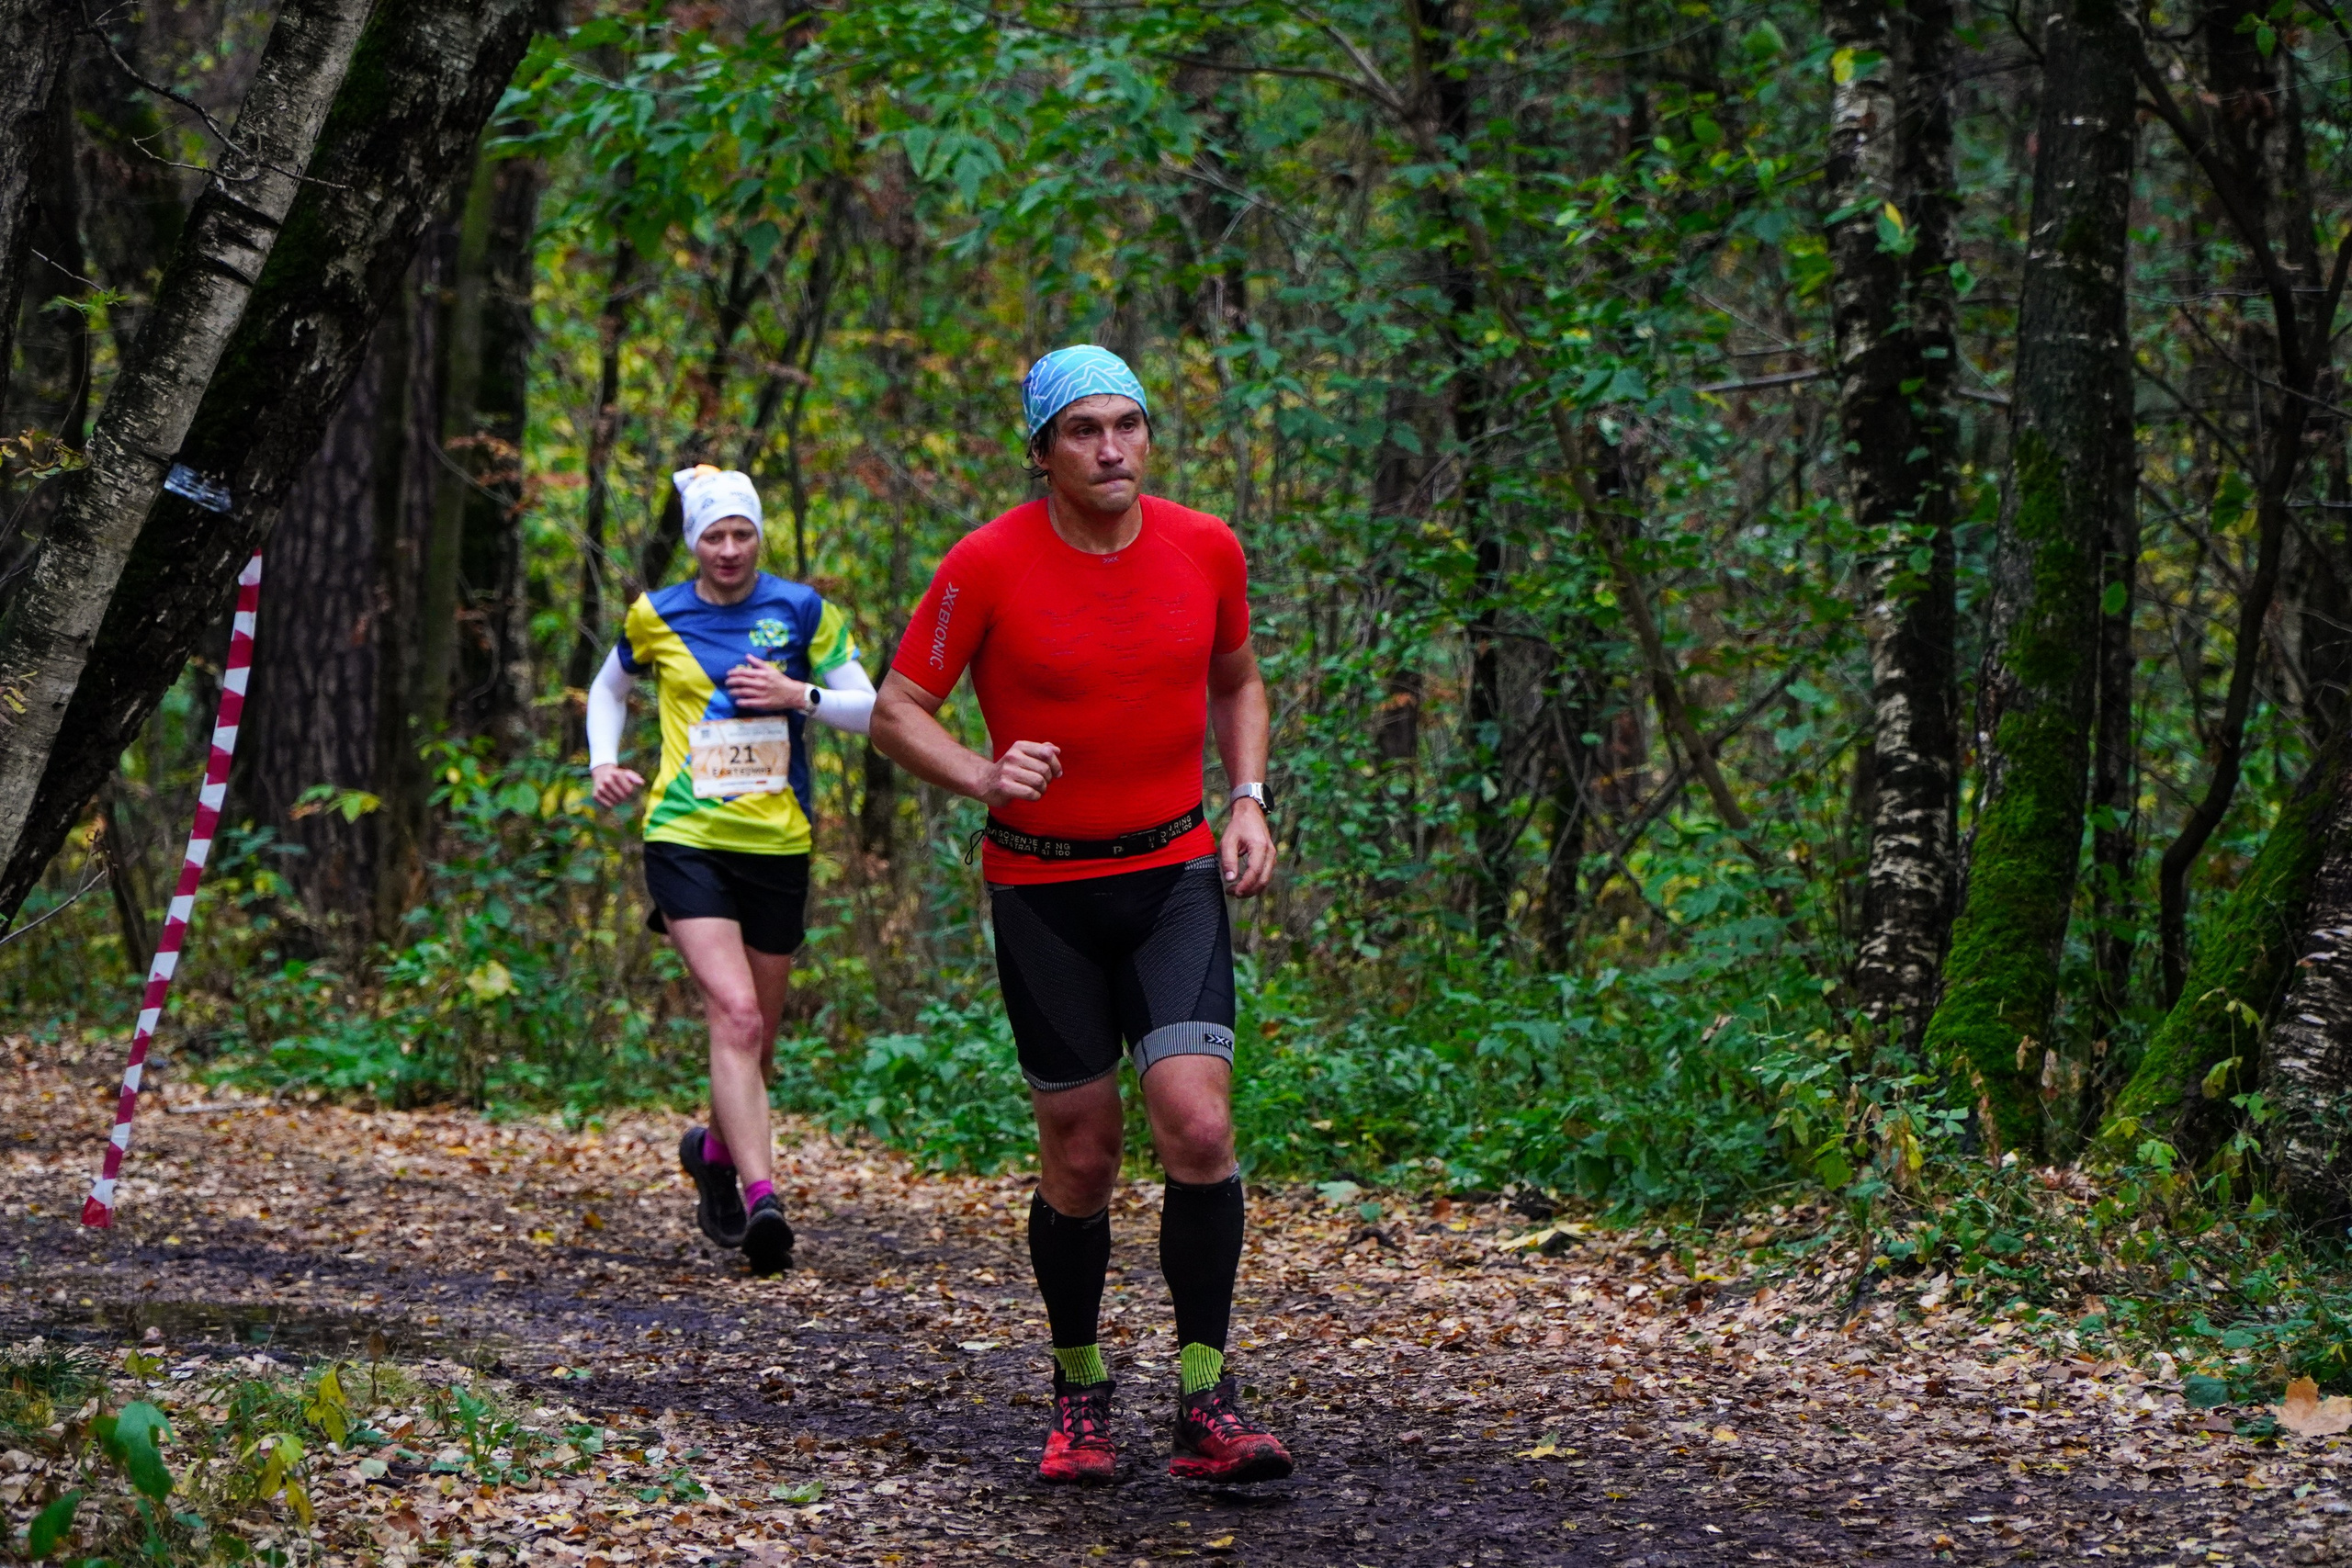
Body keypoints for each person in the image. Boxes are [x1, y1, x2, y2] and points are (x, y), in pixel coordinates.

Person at [872, 345, 1291, 1485]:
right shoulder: (986, 564)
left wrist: (1246, 797)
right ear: (1043, 449)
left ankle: (1206, 1399)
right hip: (1043, 890)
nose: (1111, 448)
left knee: (1198, 1128)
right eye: (1084, 430)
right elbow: (898, 709)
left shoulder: (1205, 546)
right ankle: (1080, 1387)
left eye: (1128, 425)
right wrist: (978, 773)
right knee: (1082, 1155)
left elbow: (1237, 676)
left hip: (1174, 876)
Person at [586, 465, 875, 1277]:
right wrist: (603, 761)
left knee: (757, 1041)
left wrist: (798, 693)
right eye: (713, 535)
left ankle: (711, 1147)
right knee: (737, 1015)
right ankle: (762, 1199)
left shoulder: (802, 610)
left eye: (741, 532)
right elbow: (606, 689)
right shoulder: (659, 614)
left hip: (779, 842)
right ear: (693, 543)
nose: (728, 548)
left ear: (759, 537)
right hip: (685, 837)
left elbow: (874, 708)